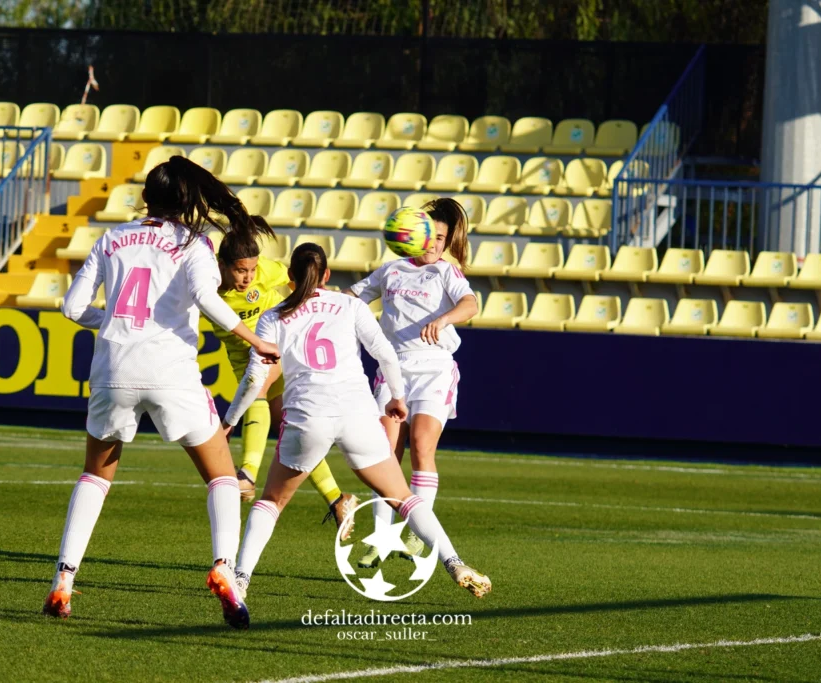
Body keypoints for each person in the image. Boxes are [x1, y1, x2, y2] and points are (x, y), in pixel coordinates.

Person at [43, 156, 276, 630]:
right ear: (187, 202)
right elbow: (209, 300)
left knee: (95, 477)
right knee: (222, 479)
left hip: (113, 368)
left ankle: (63, 581)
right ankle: (224, 571)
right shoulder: (195, 244)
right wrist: (256, 340)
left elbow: (71, 308)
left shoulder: (111, 238)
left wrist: (110, 323)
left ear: (145, 198)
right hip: (171, 371)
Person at [222, 242, 490, 614]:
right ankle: (454, 562)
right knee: (403, 497)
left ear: (289, 278)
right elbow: (384, 353)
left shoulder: (273, 316)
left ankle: (241, 580)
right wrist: (397, 397)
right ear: (328, 276)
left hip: (307, 416)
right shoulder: (350, 306)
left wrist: (230, 420)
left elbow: (255, 379)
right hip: (357, 414)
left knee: (270, 502)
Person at [345, 198, 478, 568]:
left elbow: (471, 305)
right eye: (429, 236)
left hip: (435, 367)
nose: (435, 244)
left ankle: (418, 534)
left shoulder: (447, 273)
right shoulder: (391, 270)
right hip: (393, 368)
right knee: (383, 454)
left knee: (421, 446)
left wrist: (446, 319)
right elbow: (352, 298)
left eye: (441, 237)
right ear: (413, 236)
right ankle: (380, 538)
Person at [214, 233, 358, 538]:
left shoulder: (266, 271)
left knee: (259, 389)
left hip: (278, 346)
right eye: (241, 271)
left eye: (252, 271)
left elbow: (298, 279)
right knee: (291, 432)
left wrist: (314, 298)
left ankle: (247, 473)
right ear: (223, 266)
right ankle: (337, 498)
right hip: (243, 360)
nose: (248, 277)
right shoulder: (205, 287)